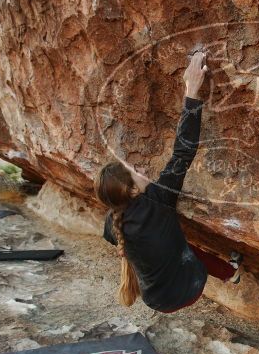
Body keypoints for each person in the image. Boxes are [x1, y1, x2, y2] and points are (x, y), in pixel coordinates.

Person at [94, 51, 242, 312]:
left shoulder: (111, 223)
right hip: (186, 292)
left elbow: (121, 240)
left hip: (154, 298)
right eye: (133, 171)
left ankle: (231, 273)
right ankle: (233, 273)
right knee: (185, 250)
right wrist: (192, 88)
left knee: (172, 245)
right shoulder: (158, 201)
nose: (139, 168)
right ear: (131, 190)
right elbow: (183, 152)